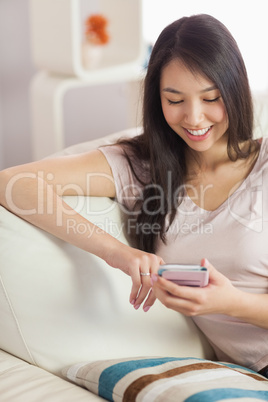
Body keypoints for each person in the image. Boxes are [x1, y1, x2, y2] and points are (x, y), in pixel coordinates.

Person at [1, 14, 268, 376]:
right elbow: (15, 184)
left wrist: (233, 303)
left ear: (236, 90)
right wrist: (119, 253)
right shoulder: (142, 168)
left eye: (211, 98)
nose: (194, 117)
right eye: (174, 100)